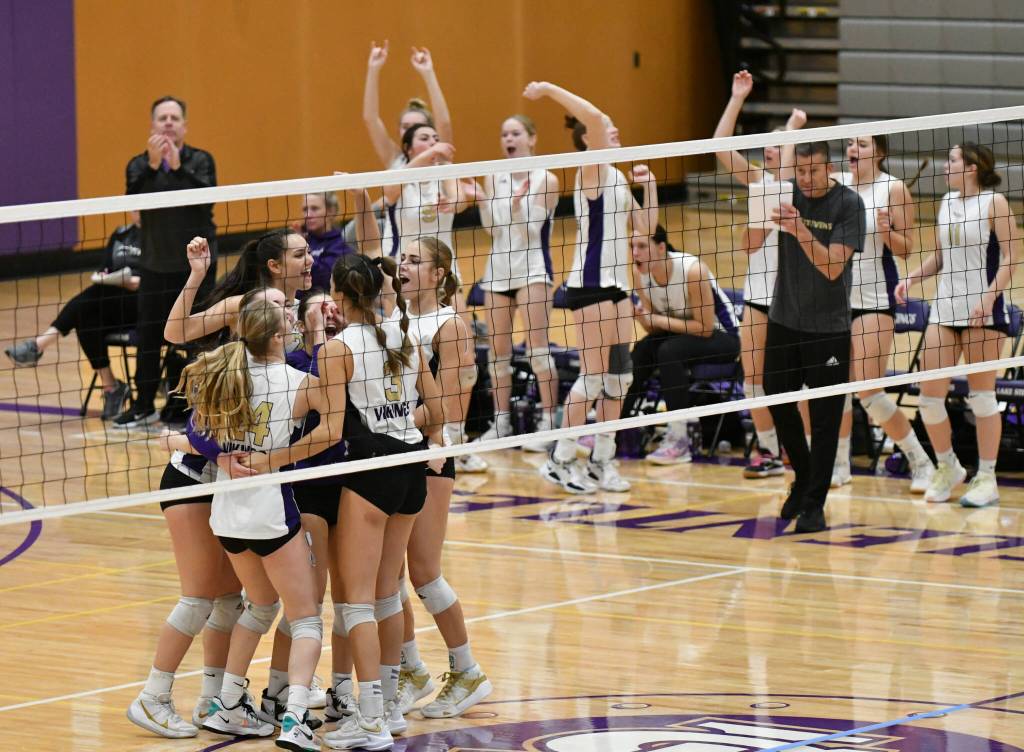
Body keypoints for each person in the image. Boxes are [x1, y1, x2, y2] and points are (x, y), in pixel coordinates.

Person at [246, 254, 445, 750]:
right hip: (411, 470)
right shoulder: (403, 334)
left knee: (354, 601)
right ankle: (393, 708)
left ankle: (372, 720)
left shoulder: (339, 349)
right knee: (386, 594)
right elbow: (438, 410)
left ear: (337, 294)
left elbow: (330, 431)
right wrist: (404, 429)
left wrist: (275, 459)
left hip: (371, 473)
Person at [175, 294, 325, 750]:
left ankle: (227, 703)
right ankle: (296, 717)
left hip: (227, 516)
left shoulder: (224, 378)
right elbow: (335, 418)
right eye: (288, 324)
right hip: (270, 515)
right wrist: (321, 340)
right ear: (277, 336)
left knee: (259, 606)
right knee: (307, 620)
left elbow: (194, 433)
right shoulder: (297, 382)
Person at [524, 81, 657, 493]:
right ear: (590, 138)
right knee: (594, 376)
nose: (614, 132)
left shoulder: (616, 176)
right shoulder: (592, 169)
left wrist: (649, 185)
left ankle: (602, 459)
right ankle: (561, 458)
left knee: (620, 378)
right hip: (591, 285)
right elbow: (596, 118)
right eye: (607, 130)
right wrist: (547, 89)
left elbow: (646, 228)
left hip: (617, 288)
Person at [395, 237, 493, 718]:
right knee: (386, 576)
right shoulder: (390, 318)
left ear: (438, 275)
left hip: (431, 453)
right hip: (392, 451)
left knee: (424, 573)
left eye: (415, 261)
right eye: (403, 259)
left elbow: (451, 405)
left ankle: (467, 670)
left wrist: (391, 421)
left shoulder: (451, 325)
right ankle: (411, 669)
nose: (404, 265)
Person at [896, 143, 1019, 507]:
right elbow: (940, 257)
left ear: (971, 167)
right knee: (929, 398)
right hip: (945, 309)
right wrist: (912, 279)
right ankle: (948, 466)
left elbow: (1012, 256)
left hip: (984, 312)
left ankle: (987, 477)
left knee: (982, 399)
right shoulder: (946, 202)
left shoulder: (994, 203)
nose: (944, 166)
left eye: (950, 160)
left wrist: (989, 298)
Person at [755, 140, 865, 534]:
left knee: (824, 419)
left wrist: (799, 229)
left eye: (813, 172)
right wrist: (757, 216)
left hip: (829, 329)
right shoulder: (785, 194)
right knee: (775, 396)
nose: (805, 179)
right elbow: (748, 243)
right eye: (800, 172)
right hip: (785, 320)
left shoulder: (848, 204)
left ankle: (815, 503)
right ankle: (803, 477)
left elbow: (834, 268)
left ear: (828, 167)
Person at [713, 70, 806, 479]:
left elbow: (787, 175)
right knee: (755, 377)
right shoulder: (757, 182)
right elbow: (718, 146)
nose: (771, 149)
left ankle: (801, 452)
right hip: (757, 294)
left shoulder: (805, 185)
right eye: (767, 144)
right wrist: (737, 98)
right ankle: (768, 452)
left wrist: (791, 129)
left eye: (778, 144)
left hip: (796, 298)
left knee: (796, 382)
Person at [832, 135, 934, 492]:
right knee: (833, 389)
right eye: (849, 144)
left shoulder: (894, 189)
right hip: (834, 300)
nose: (852, 150)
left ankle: (920, 462)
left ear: (879, 152)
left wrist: (887, 230)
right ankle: (839, 465)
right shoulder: (836, 185)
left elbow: (907, 250)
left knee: (868, 391)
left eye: (861, 144)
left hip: (875, 299)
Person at [115, 95, 217, 429]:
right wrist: (155, 165)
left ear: (185, 126)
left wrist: (176, 167)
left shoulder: (201, 160)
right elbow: (134, 202)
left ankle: (198, 405)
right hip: (155, 265)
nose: (169, 123)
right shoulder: (138, 165)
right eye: (163, 118)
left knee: (199, 336)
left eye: (175, 117)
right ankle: (144, 404)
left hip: (196, 268)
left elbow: (205, 202)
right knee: (148, 337)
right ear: (153, 126)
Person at [474, 115, 561, 452]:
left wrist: (515, 207)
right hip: (497, 272)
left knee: (538, 350)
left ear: (532, 138)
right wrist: (483, 199)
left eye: (515, 133)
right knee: (498, 353)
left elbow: (531, 231)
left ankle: (548, 422)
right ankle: (501, 422)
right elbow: (492, 230)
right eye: (504, 133)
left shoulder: (547, 179)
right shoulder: (494, 175)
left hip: (534, 270)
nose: (508, 138)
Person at [621, 226, 740, 463]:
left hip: (723, 337)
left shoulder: (693, 270)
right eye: (632, 247)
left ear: (661, 248)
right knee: (642, 351)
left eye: (642, 246)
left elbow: (705, 328)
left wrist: (655, 319)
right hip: (681, 336)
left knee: (669, 352)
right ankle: (614, 429)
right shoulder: (639, 275)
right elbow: (655, 329)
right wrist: (643, 318)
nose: (635, 253)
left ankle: (679, 439)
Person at [6, 213, 142, 419]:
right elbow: (104, 268)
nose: (137, 211)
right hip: (110, 304)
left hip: (143, 306)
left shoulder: (160, 238)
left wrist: (136, 282)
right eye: (134, 206)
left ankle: (38, 345)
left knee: (88, 301)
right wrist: (104, 276)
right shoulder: (120, 234)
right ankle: (111, 387)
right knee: (86, 318)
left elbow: (161, 278)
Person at [363, 41, 453, 172]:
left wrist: (428, 73)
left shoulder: (439, 155)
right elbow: (370, 119)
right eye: (406, 127)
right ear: (399, 130)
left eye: (417, 126)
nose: (411, 131)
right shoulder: (394, 158)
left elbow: (444, 123)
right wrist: (373, 69)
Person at [298, 192, 354, 294]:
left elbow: (323, 277)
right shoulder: (302, 239)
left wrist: (300, 252)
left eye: (314, 208)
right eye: (305, 209)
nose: (308, 215)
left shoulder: (341, 244)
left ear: (330, 211)